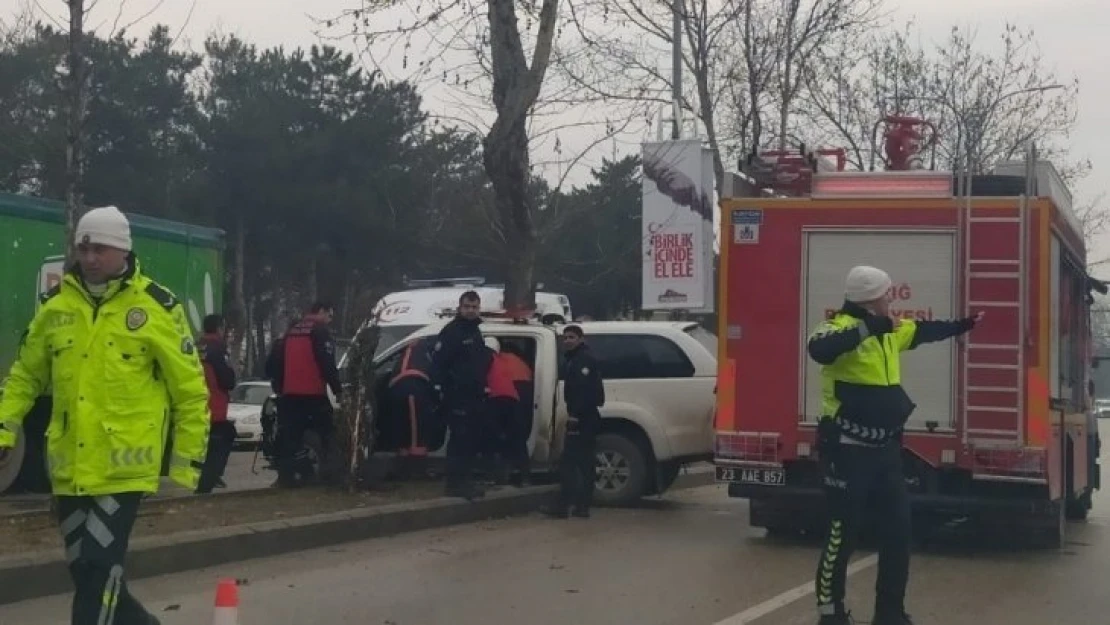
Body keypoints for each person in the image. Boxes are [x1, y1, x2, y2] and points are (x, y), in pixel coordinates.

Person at [0, 206, 209, 625]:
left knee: (98, 564)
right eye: (84, 247)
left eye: (100, 248)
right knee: (86, 569)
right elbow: (24, 376)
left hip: (124, 469)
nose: (90, 257)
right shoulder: (55, 308)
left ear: (123, 251)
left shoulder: (156, 307)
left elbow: (189, 390)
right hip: (69, 468)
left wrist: (187, 465)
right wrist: (3, 430)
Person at [807, 265, 983, 625]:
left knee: (899, 531)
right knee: (843, 532)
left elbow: (924, 331)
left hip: (885, 451)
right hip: (846, 448)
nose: (892, 298)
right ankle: (831, 613)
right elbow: (819, 350)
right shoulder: (838, 327)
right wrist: (866, 328)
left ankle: (889, 613)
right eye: (887, 293)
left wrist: (964, 324)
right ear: (872, 298)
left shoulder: (891, 332)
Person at [269, 302, 342, 488]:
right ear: (322, 311)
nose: (329, 321)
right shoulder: (320, 331)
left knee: (291, 439)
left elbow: (274, 362)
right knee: (328, 435)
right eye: (329, 316)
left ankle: (286, 478)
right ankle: (332, 477)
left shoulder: (291, 331)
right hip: (313, 394)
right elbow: (326, 363)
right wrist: (337, 389)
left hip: (289, 396)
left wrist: (279, 387)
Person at [429, 290, 491, 500]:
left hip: (474, 396)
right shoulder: (452, 332)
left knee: (470, 441)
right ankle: (455, 484)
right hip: (457, 396)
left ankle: (465, 481)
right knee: (459, 441)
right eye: (467, 307)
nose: (471, 311)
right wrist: (442, 391)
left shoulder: (475, 332)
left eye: (474, 307)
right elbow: (438, 364)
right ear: (460, 308)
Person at [553, 325, 604, 518]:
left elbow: (583, 391)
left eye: (571, 337)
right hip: (585, 417)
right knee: (583, 462)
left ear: (581, 339)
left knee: (571, 462)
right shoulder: (575, 358)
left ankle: (565, 505)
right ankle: (581, 506)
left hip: (583, 418)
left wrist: (574, 415)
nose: (567, 341)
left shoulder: (582, 360)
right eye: (565, 338)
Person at [196, 314, 238, 494]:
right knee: (222, 438)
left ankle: (208, 478)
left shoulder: (196, 346)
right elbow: (227, 379)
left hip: (195, 403)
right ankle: (209, 480)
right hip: (214, 405)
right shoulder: (218, 348)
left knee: (206, 444)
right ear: (219, 328)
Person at [387, 336, 439, 471]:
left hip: (399, 387)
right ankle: (416, 468)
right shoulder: (431, 346)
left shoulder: (412, 345)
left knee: (402, 427)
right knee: (417, 429)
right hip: (414, 387)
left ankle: (402, 465)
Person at [482, 336, 519, 485]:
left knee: (490, 438)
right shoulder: (500, 361)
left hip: (495, 399)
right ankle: (504, 473)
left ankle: (492, 475)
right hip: (511, 400)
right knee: (504, 438)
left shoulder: (485, 356)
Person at [499, 341, 534, 485]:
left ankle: (504, 475)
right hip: (524, 396)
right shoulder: (521, 362)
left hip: (509, 395)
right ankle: (525, 476)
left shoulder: (498, 359)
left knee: (504, 437)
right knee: (519, 438)